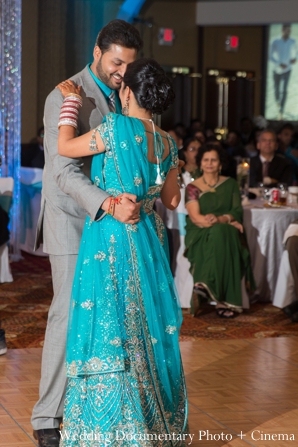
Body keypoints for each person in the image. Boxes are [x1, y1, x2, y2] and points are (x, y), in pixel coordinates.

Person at [55, 57, 188, 445]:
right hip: (148, 236)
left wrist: (70, 103)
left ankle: (114, 428)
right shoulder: (166, 141)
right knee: (145, 327)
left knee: (110, 328)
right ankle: (152, 421)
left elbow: (65, 147)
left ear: (126, 92)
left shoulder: (113, 129)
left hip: (112, 237)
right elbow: (174, 199)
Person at [31, 20, 143, 447]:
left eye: (128, 67)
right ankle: (47, 416)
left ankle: (101, 406)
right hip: (74, 220)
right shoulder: (65, 94)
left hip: (114, 221)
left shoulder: (125, 94)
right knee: (69, 313)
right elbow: (62, 170)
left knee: (110, 315)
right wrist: (108, 203)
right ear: (97, 51)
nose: (121, 73)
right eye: (116, 63)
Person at [184, 143, 255, 318]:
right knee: (221, 232)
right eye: (206, 160)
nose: (209, 163)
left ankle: (204, 284)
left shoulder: (230, 184)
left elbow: (237, 212)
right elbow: (195, 217)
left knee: (223, 232)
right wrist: (217, 222)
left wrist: (221, 220)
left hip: (223, 228)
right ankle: (222, 300)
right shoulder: (193, 188)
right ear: (200, 164)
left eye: (213, 160)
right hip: (200, 230)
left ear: (220, 163)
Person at [270, 24, 298, 120]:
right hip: (277, 69)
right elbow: (270, 55)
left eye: (289, 31)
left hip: (287, 69)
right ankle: (278, 102)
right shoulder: (275, 41)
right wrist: (279, 63)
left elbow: (296, 51)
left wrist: (295, 58)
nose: (288, 32)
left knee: (285, 90)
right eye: (287, 30)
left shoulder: (292, 41)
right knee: (277, 88)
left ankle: (281, 110)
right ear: (282, 30)